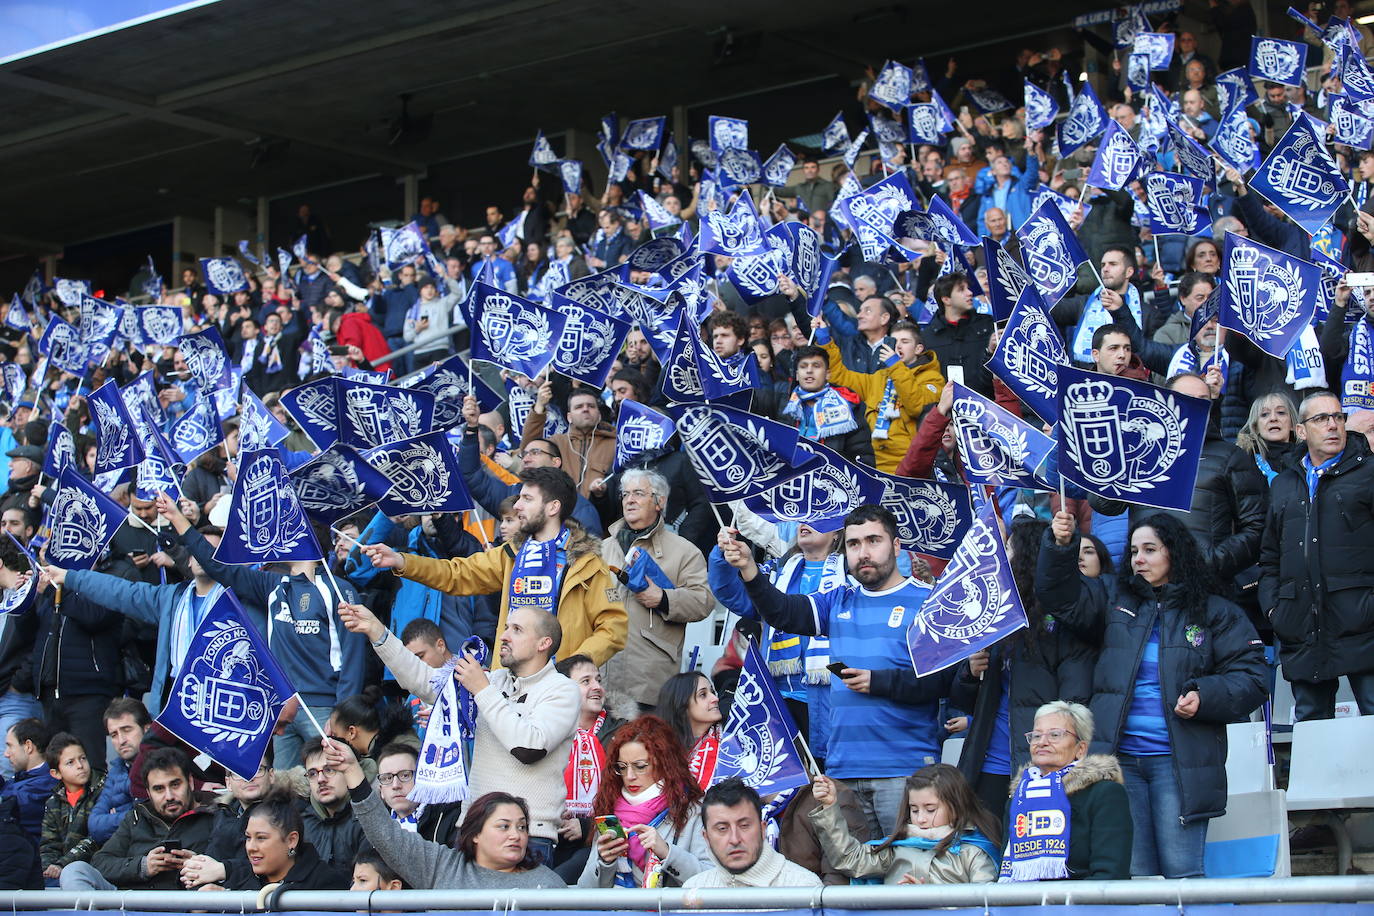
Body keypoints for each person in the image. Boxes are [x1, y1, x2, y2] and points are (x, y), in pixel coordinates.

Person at [1037, 511, 1267, 877]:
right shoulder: (1112, 597)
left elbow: (1254, 675)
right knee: (1136, 880)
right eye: (1133, 552)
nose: (1138, 559)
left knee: (1183, 877)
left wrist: (1205, 695)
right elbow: (1057, 594)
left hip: (1176, 764)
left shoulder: (1213, 610)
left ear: (1175, 553)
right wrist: (1059, 546)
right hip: (1119, 762)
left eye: (1149, 550)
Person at [718, 506, 953, 839]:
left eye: (874, 541)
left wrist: (879, 682)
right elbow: (783, 612)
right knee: (854, 884)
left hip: (905, 772)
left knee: (906, 875)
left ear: (897, 546)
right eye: (854, 544)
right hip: (842, 773)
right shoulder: (838, 600)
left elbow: (944, 682)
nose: (864, 552)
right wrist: (749, 570)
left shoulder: (928, 601)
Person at [338, 601, 579, 864]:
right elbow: (425, 682)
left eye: (517, 629)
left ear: (543, 643)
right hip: (473, 832)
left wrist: (483, 691)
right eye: (506, 627)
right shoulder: (493, 681)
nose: (505, 635)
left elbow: (529, 747)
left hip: (529, 836)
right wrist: (379, 633)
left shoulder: (562, 689)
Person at [359, 466, 626, 666]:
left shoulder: (588, 564)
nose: (518, 505)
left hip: (559, 688)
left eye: (527, 499)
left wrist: (576, 664)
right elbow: (456, 574)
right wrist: (402, 561)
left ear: (553, 507)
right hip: (508, 682)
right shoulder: (509, 555)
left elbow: (613, 627)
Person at [948, 519, 1096, 821]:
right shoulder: (999, 615)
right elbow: (965, 702)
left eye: (1008, 548)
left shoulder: (1062, 620)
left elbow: (1074, 701)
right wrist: (969, 674)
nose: (1002, 556)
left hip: (1037, 765)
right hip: (989, 764)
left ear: (1028, 556)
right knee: (987, 857)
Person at [1259, 390, 1374, 719]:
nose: (1333, 425)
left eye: (1338, 417)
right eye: (1321, 419)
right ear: (1302, 430)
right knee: (1311, 730)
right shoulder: (1283, 483)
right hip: (1300, 624)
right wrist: (1273, 608)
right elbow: (1269, 555)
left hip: (1363, 624)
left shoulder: (1368, 473)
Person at [325, 738, 563, 888]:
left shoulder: (545, 883)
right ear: (476, 834)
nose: (516, 835)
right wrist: (351, 770)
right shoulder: (443, 865)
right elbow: (385, 835)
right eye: (504, 826)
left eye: (521, 827)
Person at [600, 469, 713, 710]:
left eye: (639, 493)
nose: (629, 500)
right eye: (625, 494)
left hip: (649, 681)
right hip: (600, 676)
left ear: (660, 502)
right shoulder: (602, 549)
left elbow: (703, 601)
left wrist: (664, 599)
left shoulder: (685, 551)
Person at [999, 702, 1132, 881]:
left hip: (1083, 905)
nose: (1042, 742)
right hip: (1024, 905)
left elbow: (1110, 874)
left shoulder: (1105, 794)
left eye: (1055, 735)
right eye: (1036, 736)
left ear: (1080, 749)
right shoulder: (1019, 798)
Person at [577, 716, 714, 888]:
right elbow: (584, 891)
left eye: (640, 766)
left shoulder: (692, 809)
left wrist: (667, 852)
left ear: (665, 764)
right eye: (622, 767)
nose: (630, 776)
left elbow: (711, 881)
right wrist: (604, 861)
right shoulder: (609, 807)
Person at [809, 764, 998, 884]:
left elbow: (984, 904)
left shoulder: (974, 852)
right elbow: (850, 859)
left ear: (957, 807)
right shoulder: (898, 847)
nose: (921, 818)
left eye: (930, 809)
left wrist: (931, 900)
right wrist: (830, 806)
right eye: (914, 810)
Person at [61, 748, 216, 890]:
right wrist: (143, 866)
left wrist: (201, 865)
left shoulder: (217, 814)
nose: (169, 796)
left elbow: (232, 865)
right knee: (74, 870)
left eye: (175, 785)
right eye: (159, 789)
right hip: (129, 905)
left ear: (190, 782)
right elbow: (100, 863)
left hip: (188, 904)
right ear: (148, 792)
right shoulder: (136, 817)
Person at [681, 779, 821, 888]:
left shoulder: (803, 887)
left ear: (763, 829)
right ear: (706, 837)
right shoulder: (693, 892)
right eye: (722, 828)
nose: (735, 839)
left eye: (744, 826)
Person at [211, 790, 348, 891]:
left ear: (291, 840)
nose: (251, 847)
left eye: (261, 838)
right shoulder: (239, 882)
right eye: (248, 837)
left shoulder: (326, 884)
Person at [778, 346, 875, 466]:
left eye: (816, 366)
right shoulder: (784, 404)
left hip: (827, 479)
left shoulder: (847, 407)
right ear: (797, 375)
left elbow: (864, 458)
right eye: (803, 366)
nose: (809, 371)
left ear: (828, 374)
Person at [39, 733, 105, 880]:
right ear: (55, 773)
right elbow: (48, 844)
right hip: (60, 871)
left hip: (95, 869)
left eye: (82, 758)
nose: (80, 766)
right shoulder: (53, 802)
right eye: (71, 762)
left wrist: (62, 865)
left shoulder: (104, 789)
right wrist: (49, 868)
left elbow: (95, 839)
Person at [87, 698, 150, 846]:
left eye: (127, 730)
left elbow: (148, 817)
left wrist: (112, 817)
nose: (121, 740)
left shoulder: (162, 764)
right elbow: (95, 825)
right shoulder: (116, 770)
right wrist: (131, 815)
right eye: (114, 735)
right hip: (119, 852)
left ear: (147, 729)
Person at [298, 737, 365, 873]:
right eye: (312, 774)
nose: (321, 779)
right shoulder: (302, 824)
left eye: (329, 770)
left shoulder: (369, 818)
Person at [324, 692, 417, 781]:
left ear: (352, 732)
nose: (333, 739)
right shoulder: (371, 752)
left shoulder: (401, 747)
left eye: (335, 735)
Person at [655, 672, 722, 788]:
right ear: (682, 705)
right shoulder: (659, 752)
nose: (715, 698)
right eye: (703, 695)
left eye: (712, 692)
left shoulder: (731, 742)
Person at [2, 719, 56, 845]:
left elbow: (10, 804)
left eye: (10, 746)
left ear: (28, 746)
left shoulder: (47, 782)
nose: (6, 754)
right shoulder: (24, 777)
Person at [1235, 391, 1301, 484]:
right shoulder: (1243, 460)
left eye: (1281, 412)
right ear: (1255, 426)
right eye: (1264, 414)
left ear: (1292, 424)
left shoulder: (1307, 459)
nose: (1273, 418)